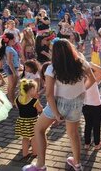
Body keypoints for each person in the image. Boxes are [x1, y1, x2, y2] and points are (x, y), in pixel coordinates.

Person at [22, 39, 95, 171]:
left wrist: (56, 114)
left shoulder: (52, 68)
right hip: (77, 103)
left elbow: (49, 94)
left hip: (58, 104)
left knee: (38, 129)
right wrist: (82, 90)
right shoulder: (82, 63)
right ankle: (77, 164)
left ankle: (40, 165)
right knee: (73, 134)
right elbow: (93, 79)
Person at [15, 79, 43, 158]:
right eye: (35, 89)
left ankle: (25, 153)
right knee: (34, 138)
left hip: (22, 121)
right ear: (31, 90)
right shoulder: (34, 101)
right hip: (33, 122)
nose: (36, 91)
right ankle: (35, 153)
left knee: (25, 138)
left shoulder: (17, 99)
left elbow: (17, 107)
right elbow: (40, 109)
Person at [83, 63, 101, 150]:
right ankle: (97, 143)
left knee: (88, 124)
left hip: (85, 105)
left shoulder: (80, 79)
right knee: (96, 125)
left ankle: (87, 143)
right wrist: (89, 63)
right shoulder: (93, 79)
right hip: (96, 105)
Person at [0, 33, 20, 103]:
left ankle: (11, 100)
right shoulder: (9, 49)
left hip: (11, 68)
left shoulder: (7, 48)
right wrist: (14, 73)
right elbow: (9, 62)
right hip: (11, 68)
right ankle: (12, 101)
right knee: (12, 86)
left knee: (11, 86)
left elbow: (3, 59)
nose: (14, 40)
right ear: (10, 40)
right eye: (13, 39)